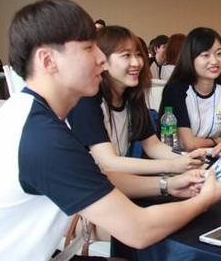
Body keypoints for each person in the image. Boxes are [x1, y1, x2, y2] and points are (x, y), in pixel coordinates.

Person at [0, 0, 221, 261]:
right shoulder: (42, 137)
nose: (101, 59)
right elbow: (138, 230)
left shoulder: (37, 117)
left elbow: (101, 180)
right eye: (88, 48)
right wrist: (205, 199)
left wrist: (167, 186)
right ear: (48, 61)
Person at [67, 25, 206, 175]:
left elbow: (153, 146)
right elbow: (108, 162)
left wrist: (190, 159)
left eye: (138, 54)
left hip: (116, 182)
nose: (137, 63)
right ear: (103, 61)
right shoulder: (87, 100)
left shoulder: (131, 97)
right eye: (126, 55)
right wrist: (172, 166)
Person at [160, 27, 221, 152]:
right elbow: (188, 144)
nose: (214, 61)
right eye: (205, 55)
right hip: (179, 158)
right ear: (190, 58)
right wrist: (215, 141)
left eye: (219, 54)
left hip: (214, 155)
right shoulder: (176, 90)